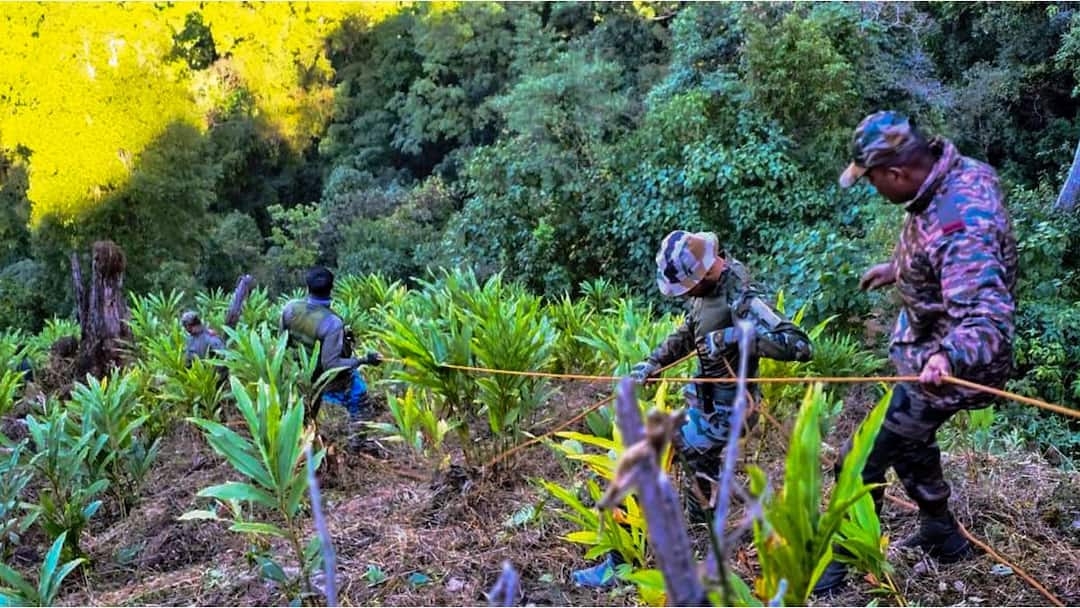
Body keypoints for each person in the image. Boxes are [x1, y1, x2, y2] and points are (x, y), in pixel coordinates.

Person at [814, 111, 1018, 595]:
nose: (872, 189)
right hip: (926, 348)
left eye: (872, 180)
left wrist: (946, 356)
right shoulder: (955, 173)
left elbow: (988, 319)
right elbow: (939, 249)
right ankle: (941, 533)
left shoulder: (960, 226)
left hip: (954, 364)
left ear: (897, 173)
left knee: (859, 457)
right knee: (908, 436)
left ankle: (840, 562)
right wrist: (901, 267)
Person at [572, 230, 813, 588]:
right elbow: (690, 332)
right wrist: (652, 363)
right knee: (699, 470)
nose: (685, 294)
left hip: (727, 414)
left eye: (688, 286)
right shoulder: (707, 292)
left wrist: (732, 337)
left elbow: (799, 345)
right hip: (706, 406)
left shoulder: (742, 298)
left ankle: (620, 565)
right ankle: (705, 537)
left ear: (705, 270)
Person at [280, 266, 382, 426]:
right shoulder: (332, 322)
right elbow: (331, 365)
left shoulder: (290, 308)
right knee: (359, 395)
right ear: (331, 289)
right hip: (322, 381)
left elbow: (282, 344)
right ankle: (358, 430)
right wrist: (364, 360)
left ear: (307, 287)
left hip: (296, 374)